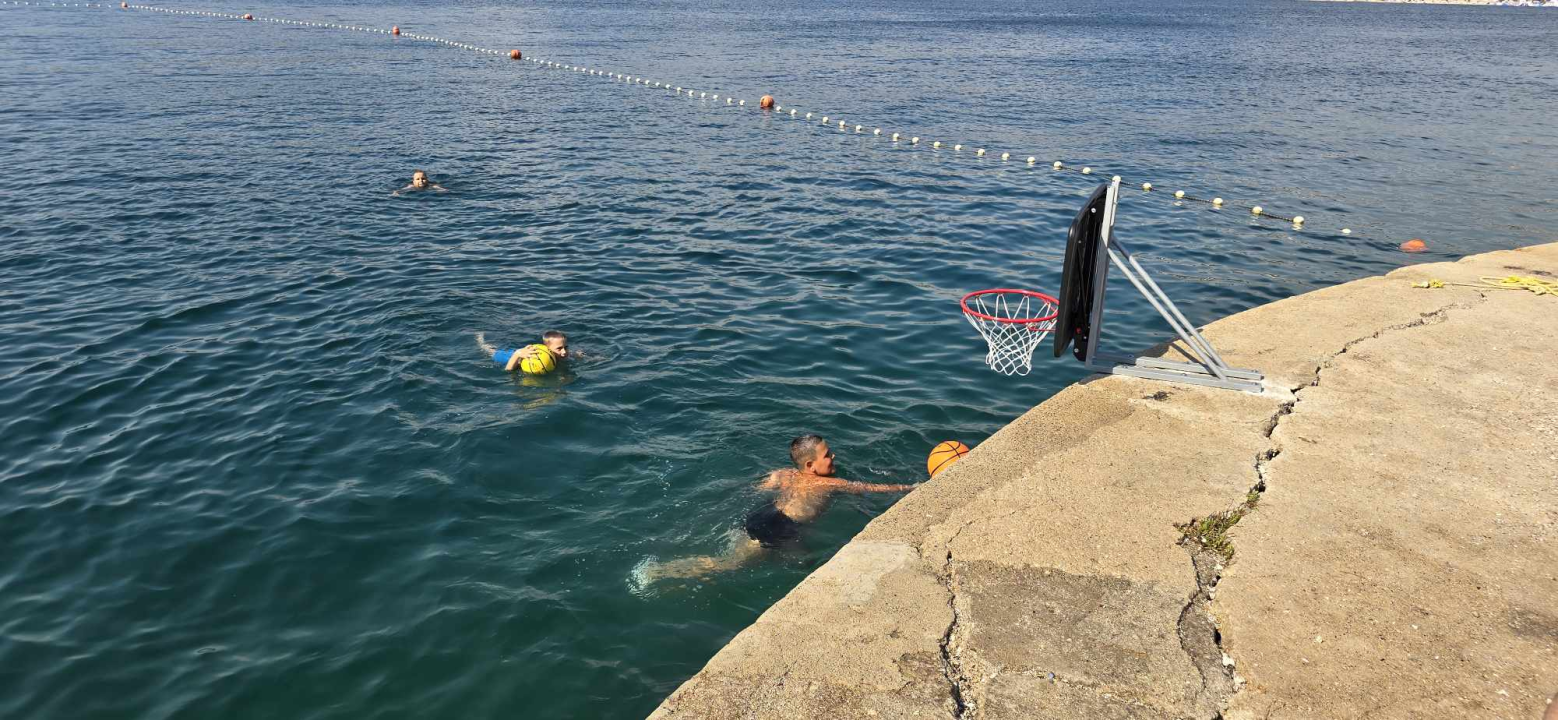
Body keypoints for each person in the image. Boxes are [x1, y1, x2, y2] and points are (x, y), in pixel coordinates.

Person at [636, 435, 914, 583]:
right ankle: (659, 572)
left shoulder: (783, 474)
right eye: (827, 455)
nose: (833, 456)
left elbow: (756, 490)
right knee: (728, 564)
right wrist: (911, 488)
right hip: (780, 528)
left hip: (762, 514)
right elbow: (874, 489)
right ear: (810, 466)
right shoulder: (829, 484)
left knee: (800, 561)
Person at [476, 331, 569, 372]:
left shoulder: (562, 354)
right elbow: (508, 371)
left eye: (566, 347)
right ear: (547, 349)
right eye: (559, 348)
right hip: (513, 356)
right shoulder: (534, 358)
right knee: (490, 351)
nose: (564, 351)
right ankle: (480, 340)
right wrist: (517, 355)